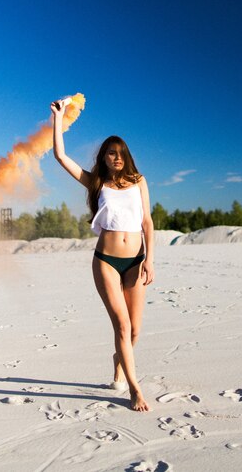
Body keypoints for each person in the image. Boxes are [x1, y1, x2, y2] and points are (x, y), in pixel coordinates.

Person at [50, 99, 155, 412]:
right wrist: (58, 118)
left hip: (136, 261)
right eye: (112, 153)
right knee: (122, 328)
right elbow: (60, 156)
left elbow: (147, 221)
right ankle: (135, 390)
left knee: (135, 331)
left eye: (121, 153)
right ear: (104, 157)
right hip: (106, 262)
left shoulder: (139, 181)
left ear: (127, 157)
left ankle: (119, 360)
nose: (117, 157)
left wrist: (150, 259)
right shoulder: (96, 181)